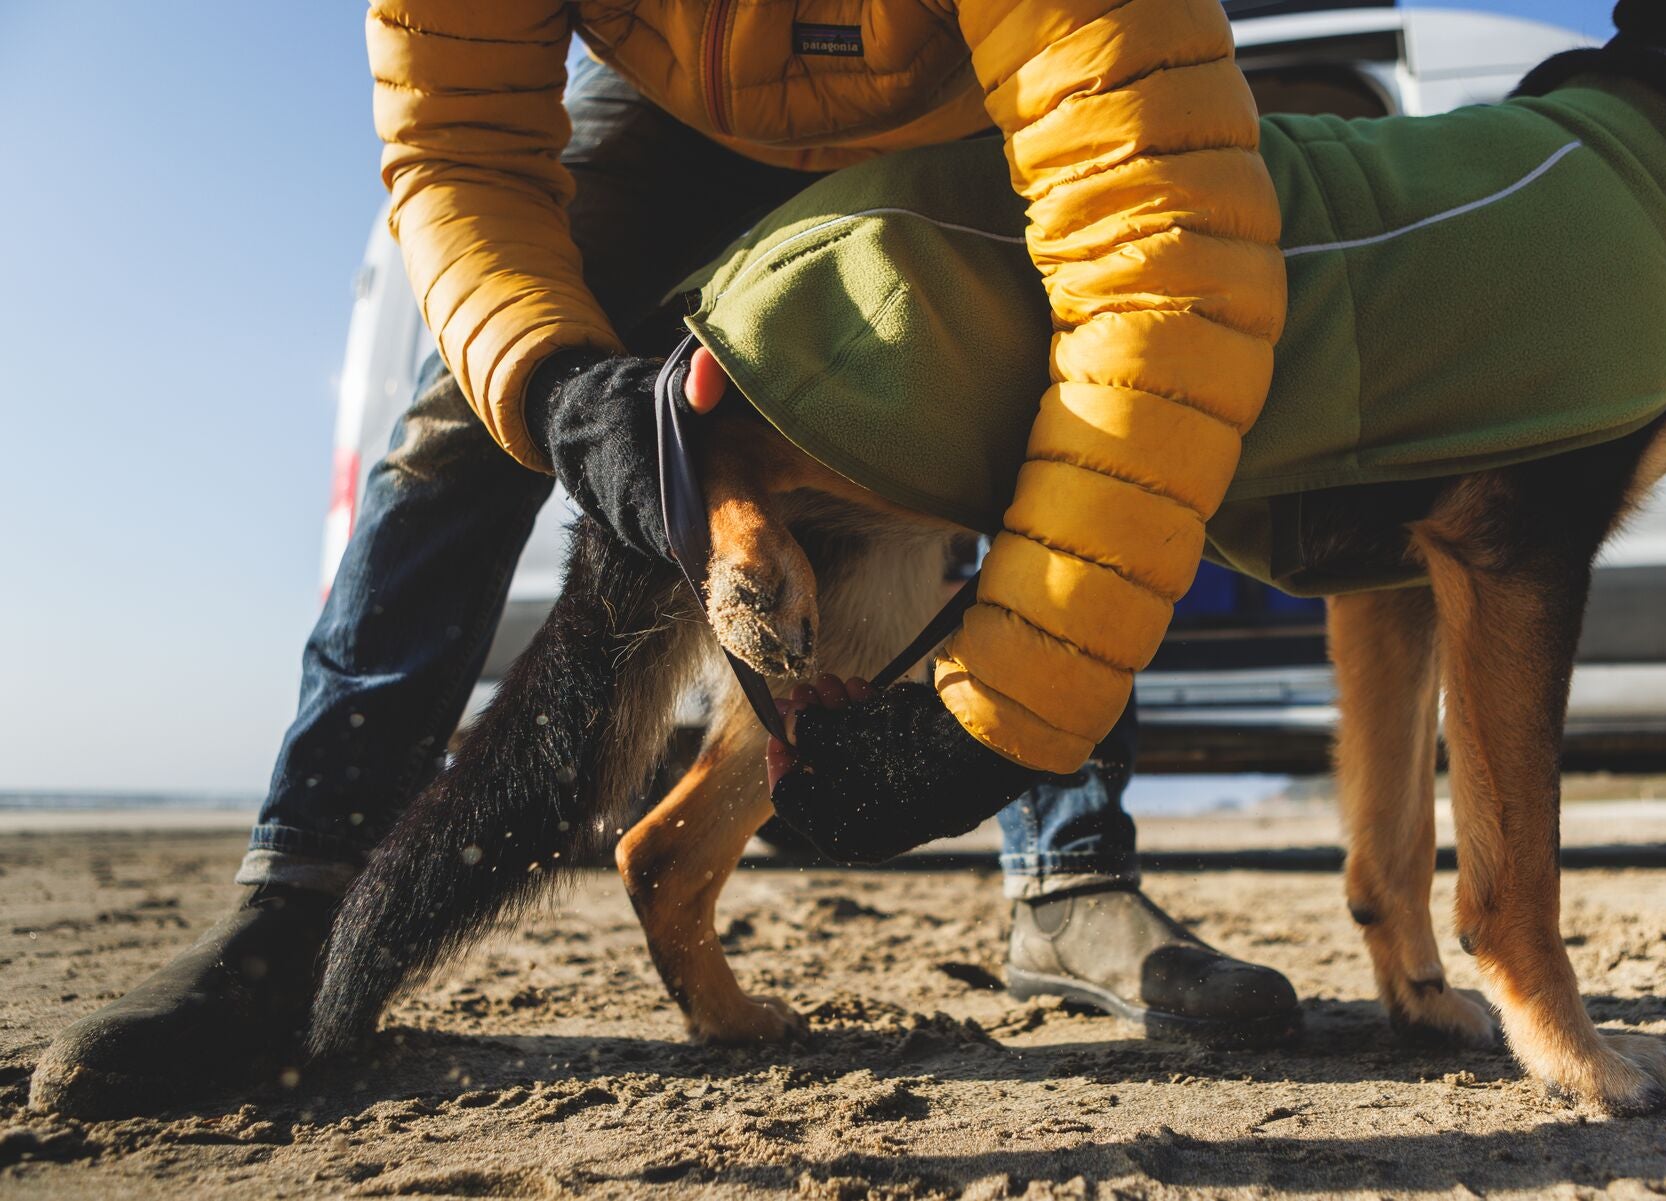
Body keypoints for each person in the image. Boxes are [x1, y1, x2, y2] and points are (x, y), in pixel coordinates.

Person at [31, 0, 1294, 1118]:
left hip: (965, 101)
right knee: (464, 414)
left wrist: (1007, 728)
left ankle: (1072, 877)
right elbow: (461, 151)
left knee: (1074, 399)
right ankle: (297, 902)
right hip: (675, 109)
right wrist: (558, 389)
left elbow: (1152, 283)